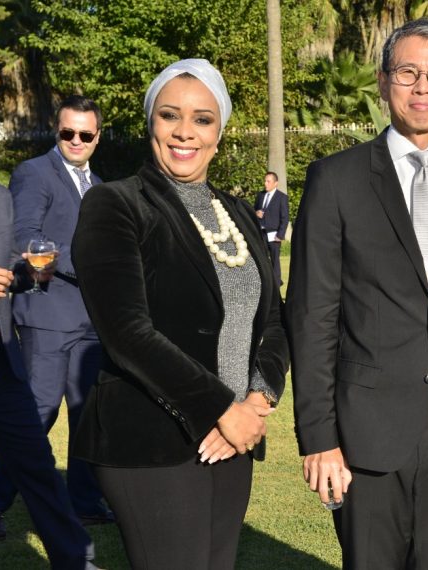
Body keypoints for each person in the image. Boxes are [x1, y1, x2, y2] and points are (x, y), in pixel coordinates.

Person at [288, 19, 428, 569]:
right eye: (408, 72)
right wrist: (318, 437)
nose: (423, 87)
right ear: (382, 80)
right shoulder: (335, 179)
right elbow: (312, 315)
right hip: (364, 431)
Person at [70, 59, 289, 570]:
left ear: (219, 132)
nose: (185, 131)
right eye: (170, 115)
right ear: (151, 123)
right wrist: (221, 408)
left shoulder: (238, 213)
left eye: (202, 119)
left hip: (233, 437)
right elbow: (126, 332)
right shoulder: (115, 204)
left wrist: (256, 401)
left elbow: (275, 320)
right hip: (152, 440)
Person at [0, 96, 114, 530]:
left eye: (85, 133)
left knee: (86, 413)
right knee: (39, 412)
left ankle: (84, 501)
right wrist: (87, 264)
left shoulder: (99, 185)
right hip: (46, 312)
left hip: (91, 320)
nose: (76, 140)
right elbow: (26, 236)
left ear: (97, 137)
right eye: (67, 132)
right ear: (56, 130)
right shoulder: (34, 173)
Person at [0, 180, 99, 568]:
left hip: (3, 364)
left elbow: (9, 270)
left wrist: (35, 273)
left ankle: (76, 561)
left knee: (39, 468)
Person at [254, 171, 289, 287]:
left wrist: (280, 235)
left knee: (275, 261)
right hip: (261, 234)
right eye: (265, 181)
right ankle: (266, 283)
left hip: (274, 235)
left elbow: (285, 217)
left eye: (268, 181)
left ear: (275, 183)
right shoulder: (260, 195)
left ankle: (276, 285)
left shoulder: (282, 197)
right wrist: (256, 213)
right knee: (262, 260)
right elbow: (254, 210)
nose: (265, 183)